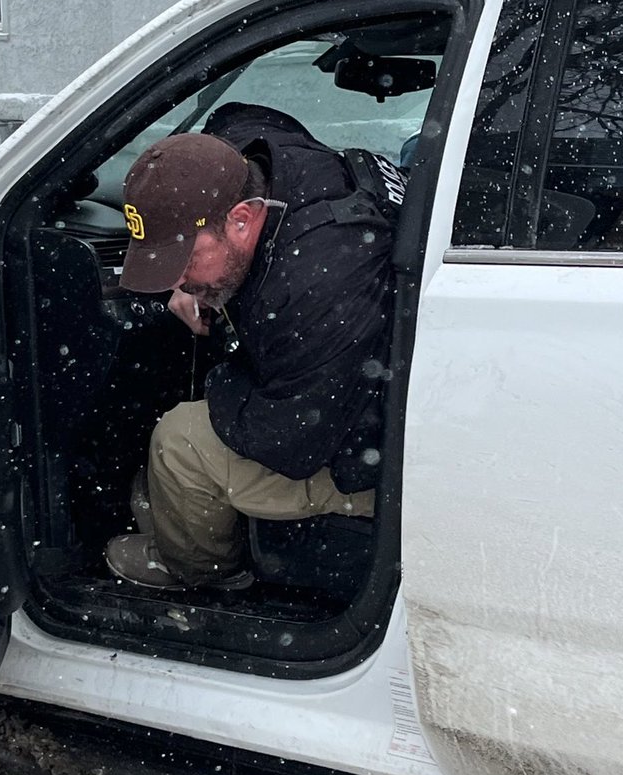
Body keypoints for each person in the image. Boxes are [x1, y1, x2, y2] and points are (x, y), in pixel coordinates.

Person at [105, 102, 405, 591]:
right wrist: (195, 278)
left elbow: (287, 443)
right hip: (335, 387)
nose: (174, 281)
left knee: (179, 444)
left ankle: (207, 575)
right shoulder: (258, 153)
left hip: (378, 458)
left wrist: (228, 362)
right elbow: (233, 114)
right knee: (151, 490)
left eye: (184, 259)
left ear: (243, 219)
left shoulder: (319, 283)